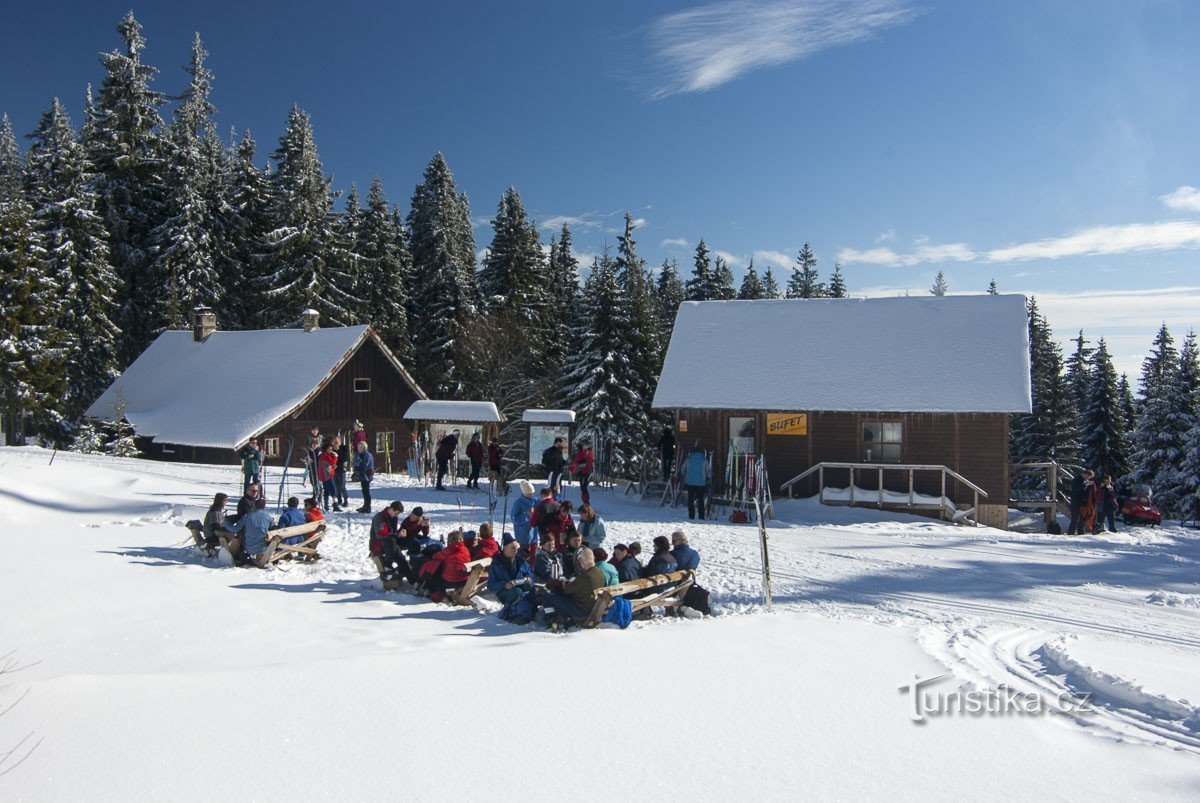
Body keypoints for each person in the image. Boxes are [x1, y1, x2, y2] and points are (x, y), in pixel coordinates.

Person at [542, 547, 604, 627]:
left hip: (582, 611)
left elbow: (566, 590)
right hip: (591, 605)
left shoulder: (584, 577)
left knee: (548, 595)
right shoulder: (599, 572)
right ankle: (563, 617)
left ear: (582, 561)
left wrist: (559, 584)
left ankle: (551, 620)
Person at [487, 536, 534, 619]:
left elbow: (530, 573)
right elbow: (491, 584)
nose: (515, 551)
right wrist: (504, 585)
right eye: (512, 548)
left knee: (532, 589)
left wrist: (528, 578)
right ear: (505, 549)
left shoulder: (520, 560)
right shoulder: (497, 563)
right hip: (504, 592)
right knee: (517, 591)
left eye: (516, 548)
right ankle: (514, 611)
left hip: (520, 588)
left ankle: (528, 610)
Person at [419, 530, 472, 602]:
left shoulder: (447, 550)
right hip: (463, 580)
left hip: (449, 581)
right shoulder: (465, 550)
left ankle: (436, 594)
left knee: (434, 577)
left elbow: (435, 556)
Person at [371, 501, 413, 586]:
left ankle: (413, 582)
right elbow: (382, 534)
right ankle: (388, 566)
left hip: (391, 544)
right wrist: (397, 534)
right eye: (396, 513)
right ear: (391, 509)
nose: (396, 515)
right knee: (390, 540)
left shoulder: (393, 518)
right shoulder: (379, 517)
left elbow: (392, 533)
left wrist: (400, 533)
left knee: (402, 561)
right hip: (378, 544)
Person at [223, 497, 273, 565]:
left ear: (254, 505)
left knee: (240, 538)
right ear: (264, 506)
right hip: (264, 547)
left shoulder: (247, 516)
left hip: (249, 548)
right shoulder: (268, 517)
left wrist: (225, 522)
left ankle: (240, 558)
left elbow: (235, 529)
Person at [683, 442, 710, 521]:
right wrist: (708, 478)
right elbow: (708, 471)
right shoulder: (704, 460)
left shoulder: (688, 459)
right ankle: (701, 516)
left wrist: (683, 475)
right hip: (701, 483)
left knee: (690, 499)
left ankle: (691, 515)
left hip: (690, 483)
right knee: (700, 499)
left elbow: (683, 469)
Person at [511, 480, 537, 550]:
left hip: (534, 537)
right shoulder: (518, 503)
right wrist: (527, 515)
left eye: (532, 493)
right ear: (524, 493)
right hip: (523, 538)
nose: (531, 495)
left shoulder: (535, 501)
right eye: (529, 493)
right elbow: (514, 518)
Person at [1067, 469, 1095, 535]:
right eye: (1088, 477)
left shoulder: (1084, 480)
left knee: (1082, 519)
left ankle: (1081, 532)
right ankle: (1071, 533)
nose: (1088, 479)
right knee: (1075, 519)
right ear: (1085, 474)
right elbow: (1075, 490)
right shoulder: (1077, 479)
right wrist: (1085, 484)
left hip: (1082, 503)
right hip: (1076, 502)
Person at [568, 440, 594, 504]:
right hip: (585, 472)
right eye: (583, 445)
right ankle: (585, 502)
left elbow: (579, 461)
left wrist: (573, 466)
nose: (584, 446)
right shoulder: (586, 452)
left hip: (586, 472)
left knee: (583, 487)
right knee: (583, 487)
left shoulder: (587, 452)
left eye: (585, 445)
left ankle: (586, 502)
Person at [352, 440, 375, 513]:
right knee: (364, 491)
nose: (359, 448)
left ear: (364, 448)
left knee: (366, 491)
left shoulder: (367, 455)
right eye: (358, 447)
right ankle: (365, 505)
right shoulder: (360, 455)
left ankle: (368, 507)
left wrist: (357, 469)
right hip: (362, 475)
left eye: (360, 447)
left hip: (367, 476)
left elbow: (364, 466)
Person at [317, 442, 340, 511]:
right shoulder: (325, 456)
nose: (331, 451)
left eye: (331, 449)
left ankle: (326, 505)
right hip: (327, 476)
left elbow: (329, 465)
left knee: (327, 491)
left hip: (325, 475)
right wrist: (335, 457)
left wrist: (333, 466)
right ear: (326, 449)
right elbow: (332, 462)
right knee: (332, 490)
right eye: (329, 449)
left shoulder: (324, 455)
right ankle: (334, 505)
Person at [334, 436, 351, 509]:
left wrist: (338, 450)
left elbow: (345, 458)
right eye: (334, 441)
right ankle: (339, 500)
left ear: (340, 441)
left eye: (337, 441)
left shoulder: (344, 448)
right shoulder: (332, 449)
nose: (335, 443)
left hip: (341, 470)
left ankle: (345, 500)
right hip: (334, 470)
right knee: (336, 486)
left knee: (342, 486)